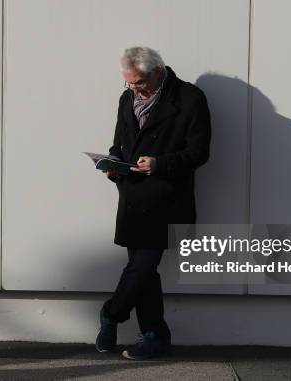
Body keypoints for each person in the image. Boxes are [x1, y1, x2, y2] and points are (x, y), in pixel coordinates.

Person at [96, 47, 211, 360]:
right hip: (132, 195)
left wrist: (159, 164)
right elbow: (120, 142)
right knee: (144, 272)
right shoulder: (126, 99)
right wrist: (113, 161)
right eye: (129, 84)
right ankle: (155, 336)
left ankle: (111, 313)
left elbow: (199, 152)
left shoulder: (190, 98)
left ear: (158, 72)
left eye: (140, 83)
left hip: (166, 197)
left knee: (143, 266)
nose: (134, 90)